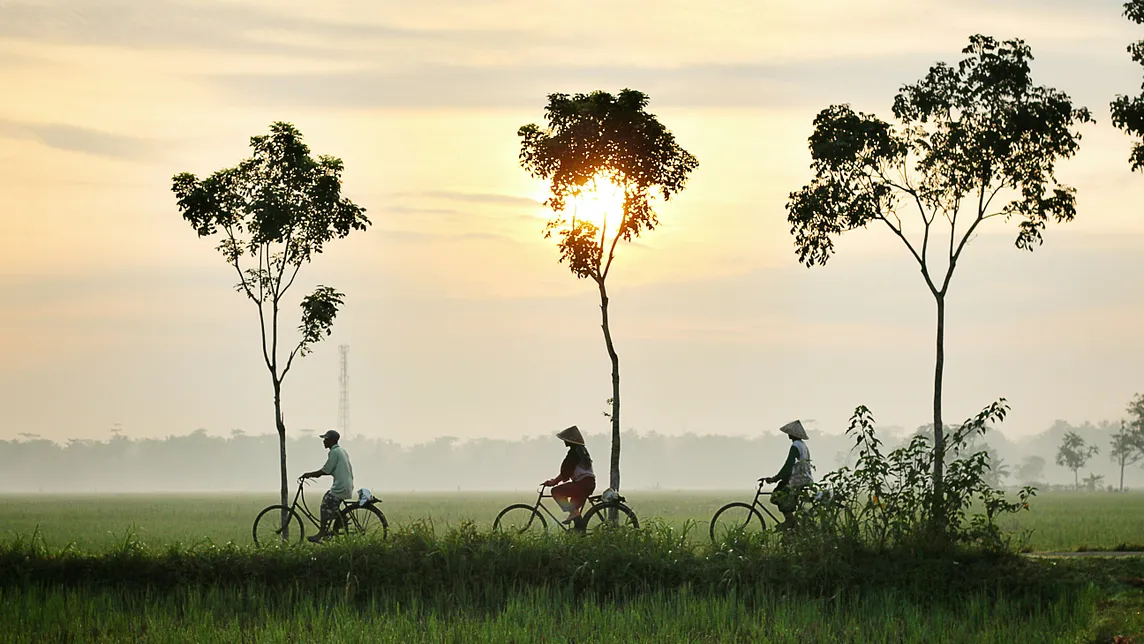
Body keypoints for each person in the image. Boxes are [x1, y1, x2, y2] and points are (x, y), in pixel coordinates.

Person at [300, 429, 354, 543]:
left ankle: (323, 531)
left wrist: (309, 474)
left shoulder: (334, 452)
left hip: (341, 487)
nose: (324, 441)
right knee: (328, 500)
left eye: (326, 439)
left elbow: (326, 470)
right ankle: (340, 518)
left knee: (325, 505)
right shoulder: (341, 451)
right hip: (345, 485)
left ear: (332, 441)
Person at [761, 420, 813, 530]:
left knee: (777, 495)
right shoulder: (803, 445)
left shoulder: (795, 446)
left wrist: (775, 478)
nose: (788, 435)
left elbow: (788, 466)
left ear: (793, 434)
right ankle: (792, 525)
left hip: (798, 479)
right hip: (804, 477)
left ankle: (790, 521)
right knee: (782, 489)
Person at [542, 425, 596, 530]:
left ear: (571, 441)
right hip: (588, 484)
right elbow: (567, 472)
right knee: (574, 512)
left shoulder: (574, 453)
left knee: (556, 492)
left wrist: (553, 482)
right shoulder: (581, 451)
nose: (564, 442)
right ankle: (579, 533)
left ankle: (575, 514)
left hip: (582, 484)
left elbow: (566, 471)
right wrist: (555, 480)